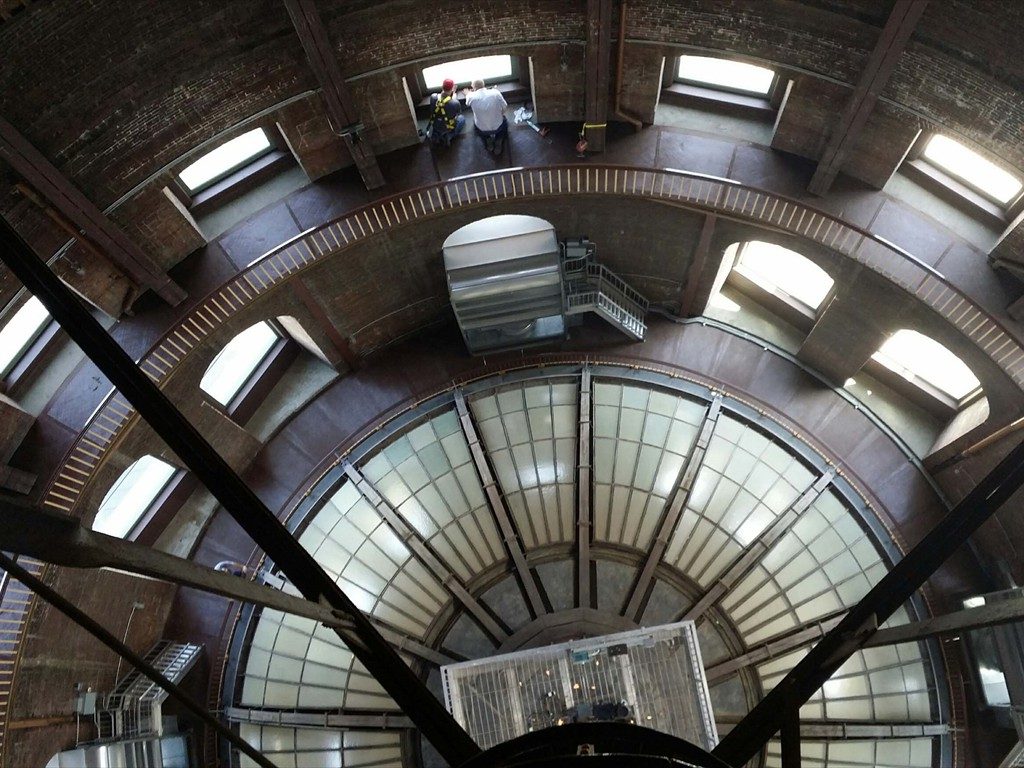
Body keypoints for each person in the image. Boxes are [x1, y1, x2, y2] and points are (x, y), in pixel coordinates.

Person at [466, 78, 508, 154]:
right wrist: (500, 113)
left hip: (482, 129)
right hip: (498, 127)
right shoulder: (495, 92)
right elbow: (505, 106)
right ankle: (499, 139)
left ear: (473, 88)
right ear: (484, 85)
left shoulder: (470, 96)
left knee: (475, 124)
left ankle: (487, 140)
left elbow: (467, 103)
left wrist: (468, 93)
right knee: (504, 121)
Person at [428, 78, 464, 147]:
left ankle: (436, 134)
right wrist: (454, 98)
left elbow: (442, 101)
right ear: (452, 89)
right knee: (461, 118)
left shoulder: (433, 96)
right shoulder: (455, 103)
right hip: (448, 126)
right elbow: (458, 113)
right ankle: (450, 135)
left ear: (442, 87)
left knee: (439, 122)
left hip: (435, 124)